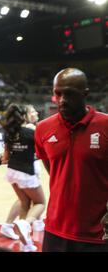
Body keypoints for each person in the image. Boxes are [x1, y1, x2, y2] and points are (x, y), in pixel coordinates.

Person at [35, 68, 108, 252]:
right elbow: (53, 169)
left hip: (97, 235)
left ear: (85, 94)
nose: (62, 100)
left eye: (70, 94)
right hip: (55, 231)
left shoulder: (105, 125)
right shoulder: (43, 129)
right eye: (58, 94)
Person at [0, 104, 45, 252]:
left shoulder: (9, 133)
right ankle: (27, 223)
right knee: (41, 203)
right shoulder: (30, 131)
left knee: (25, 203)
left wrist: (1, 158)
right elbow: (41, 152)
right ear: (24, 116)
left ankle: (26, 244)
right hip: (25, 172)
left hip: (12, 172)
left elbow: (5, 158)